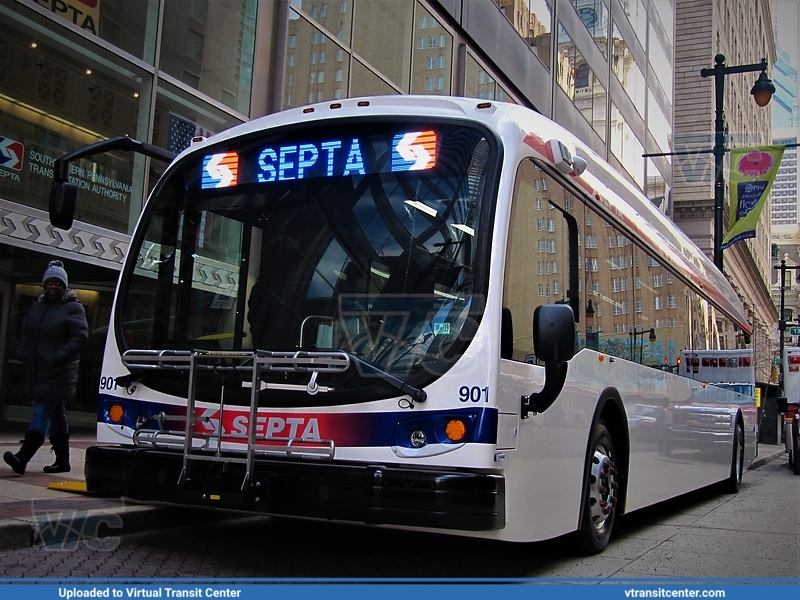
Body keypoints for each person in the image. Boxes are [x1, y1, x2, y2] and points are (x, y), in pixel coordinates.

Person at [3, 260, 88, 475]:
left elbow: (80, 336)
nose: (53, 286)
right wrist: (22, 352)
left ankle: (23, 457)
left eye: (57, 283)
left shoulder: (73, 307)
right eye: (49, 282)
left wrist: (58, 357)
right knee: (57, 415)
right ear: (44, 284)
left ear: (64, 286)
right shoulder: (38, 306)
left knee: (41, 410)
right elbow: (26, 333)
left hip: (58, 370)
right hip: (38, 369)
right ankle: (63, 461)